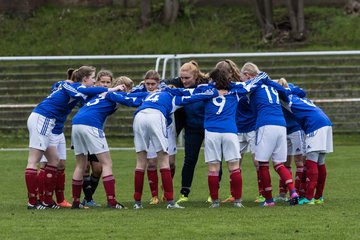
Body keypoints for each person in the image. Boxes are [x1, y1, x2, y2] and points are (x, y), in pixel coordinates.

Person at [25, 65, 117, 210]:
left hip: (47, 121)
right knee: (33, 161)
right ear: (85, 79)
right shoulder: (75, 87)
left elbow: (86, 95)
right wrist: (110, 89)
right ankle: (32, 202)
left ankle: (48, 201)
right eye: (93, 78)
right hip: (43, 118)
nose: (94, 81)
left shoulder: (74, 88)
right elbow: (83, 91)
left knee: (54, 160)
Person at [132, 83, 218, 209]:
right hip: (157, 117)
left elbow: (126, 97)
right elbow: (194, 97)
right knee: (164, 160)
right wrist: (212, 92)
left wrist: (109, 92)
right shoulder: (173, 97)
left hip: (139, 116)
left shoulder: (148, 95)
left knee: (140, 162)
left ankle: (137, 203)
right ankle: (171, 202)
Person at [71, 78, 144, 209]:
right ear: (123, 87)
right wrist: (148, 99)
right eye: (129, 88)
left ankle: (75, 202)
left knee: (80, 165)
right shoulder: (115, 94)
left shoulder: (104, 93)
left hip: (76, 123)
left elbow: (131, 94)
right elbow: (130, 101)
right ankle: (112, 201)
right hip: (91, 124)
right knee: (107, 163)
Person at [240, 62, 299, 207]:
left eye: (242, 76)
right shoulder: (272, 86)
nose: (241, 79)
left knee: (263, 163)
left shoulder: (251, 86)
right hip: (281, 124)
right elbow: (286, 93)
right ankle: (293, 191)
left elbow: (242, 90)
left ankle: (269, 200)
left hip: (266, 124)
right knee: (279, 163)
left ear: (248, 75)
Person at [164, 60, 220, 204]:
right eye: (181, 78)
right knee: (189, 160)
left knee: (214, 160)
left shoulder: (207, 84)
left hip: (209, 128)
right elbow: (165, 82)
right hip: (191, 128)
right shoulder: (178, 83)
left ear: (195, 76)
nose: (183, 81)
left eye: (187, 78)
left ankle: (213, 193)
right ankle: (184, 193)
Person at [214, 60, 265, 204]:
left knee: (257, 161)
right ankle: (234, 195)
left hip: (253, 128)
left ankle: (262, 193)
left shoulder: (252, 87)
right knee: (235, 162)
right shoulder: (233, 87)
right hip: (237, 129)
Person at [275, 78, 332, 205]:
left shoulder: (286, 98)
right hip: (325, 121)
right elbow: (301, 91)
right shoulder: (295, 95)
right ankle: (318, 197)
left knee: (311, 161)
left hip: (314, 124)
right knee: (320, 162)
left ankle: (309, 197)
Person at [131, 70, 177, 205]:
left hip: (165, 127)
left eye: (153, 84)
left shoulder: (166, 93)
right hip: (150, 124)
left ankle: (164, 192)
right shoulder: (143, 94)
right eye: (147, 84)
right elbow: (129, 95)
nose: (150, 87)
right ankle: (156, 197)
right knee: (151, 162)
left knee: (170, 161)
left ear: (158, 83)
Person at [37, 68, 74, 208]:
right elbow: (57, 85)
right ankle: (43, 197)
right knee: (45, 164)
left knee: (61, 164)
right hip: (49, 129)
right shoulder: (61, 86)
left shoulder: (77, 91)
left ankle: (60, 199)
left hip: (59, 131)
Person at [82, 69, 114, 207]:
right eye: (103, 82)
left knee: (98, 169)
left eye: (108, 82)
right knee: (84, 167)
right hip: (84, 132)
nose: (105, 85)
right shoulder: (91, 94)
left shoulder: (111, 96)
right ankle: (86, 200)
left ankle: (88, 198)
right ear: (97, 82)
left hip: (96, 134)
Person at [274, 78, 306, 202]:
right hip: (283, 130)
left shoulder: (290, 89)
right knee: (285, 162)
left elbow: (303, 93)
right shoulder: (273, 91)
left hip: (296, 129)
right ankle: (283, 194)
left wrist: (288, 89)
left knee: (299, 161)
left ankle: (298, 192)